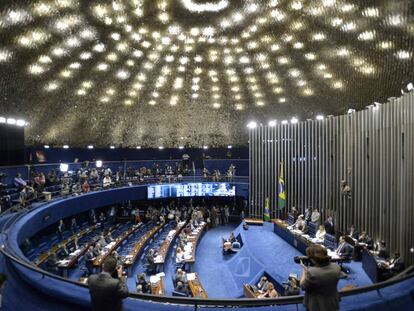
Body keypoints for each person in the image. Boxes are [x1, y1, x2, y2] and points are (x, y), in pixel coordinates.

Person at [300, 245, 341, 311]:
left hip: (316, 306)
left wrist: (304, 271)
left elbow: (302, 286)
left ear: (313, 258)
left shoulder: (312, 272)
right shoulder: (337, 267)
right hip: (332, 303)